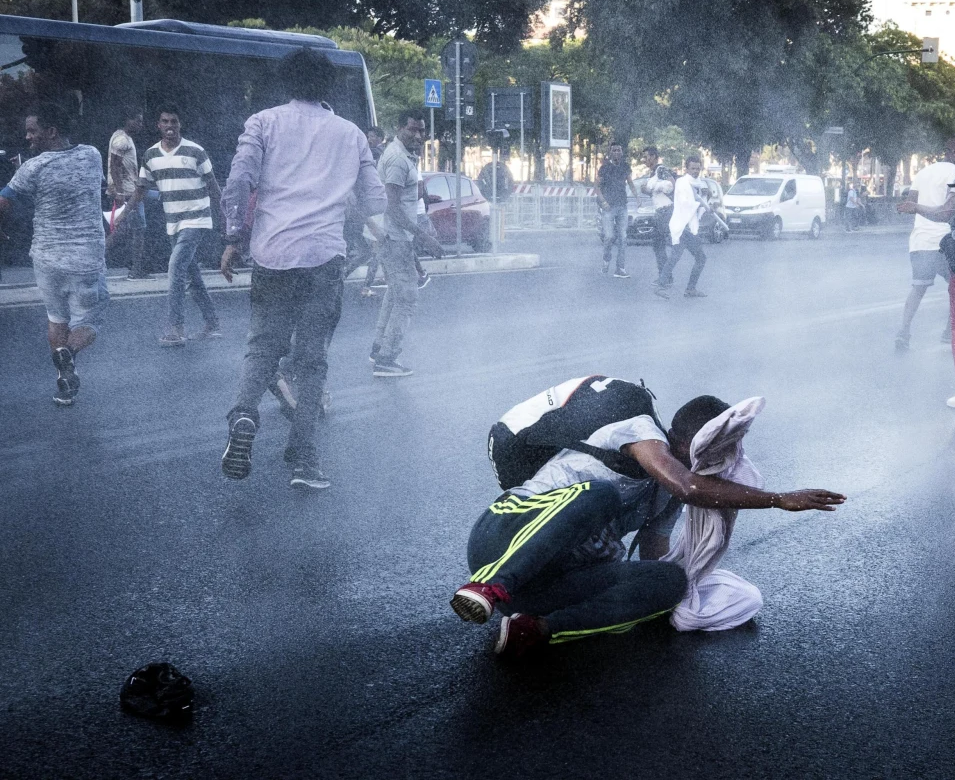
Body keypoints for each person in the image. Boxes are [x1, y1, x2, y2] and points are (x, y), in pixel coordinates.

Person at [451, 378, 846, 657]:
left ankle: (535, 630)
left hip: (541, 588)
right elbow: (688, 487)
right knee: (601, 495)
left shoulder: (667, 495)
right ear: (682, 437)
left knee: (671, 579)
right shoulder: (639, 431)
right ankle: (489, 585)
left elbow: (653, 552)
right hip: (503, 540)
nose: (715, 458)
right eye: (709, 447)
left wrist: (669, 592)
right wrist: (778, 500)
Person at [218, 47, 387, 490]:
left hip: (272, 254)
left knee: (262, 347)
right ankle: (304, 458)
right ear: (328, 85)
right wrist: (339, 199)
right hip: (324, 259)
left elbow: (239, 182)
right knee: (312, 362)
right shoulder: (351, 134)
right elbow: (375, 201)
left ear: (286, 82)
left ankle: (244, 416)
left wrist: (234, 237)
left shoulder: (263, 123)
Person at [0, 103, 109, 406]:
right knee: (90, 320)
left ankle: (65, 385)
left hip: (46, 259)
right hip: (85, 258)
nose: (27, 137)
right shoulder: (92, 155)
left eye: (32, 131)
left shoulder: (31, 169)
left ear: (51, 131)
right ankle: (68, 353)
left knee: (56, 319)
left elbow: (3, 203)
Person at [133, 104, 223, 346]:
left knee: (175, 268)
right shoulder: (151, 155)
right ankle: (212, 323)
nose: (170, 126)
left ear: (180, 124)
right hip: (173, 222)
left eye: (174, 121)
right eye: (165, 121)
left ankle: (176, 328)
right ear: (158, 125)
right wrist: (121, 216)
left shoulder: (196, 151)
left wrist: (226, 219)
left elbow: (213, 186)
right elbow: (141, 189)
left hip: (197, 219)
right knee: (191, 274)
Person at [369, 110, 444, 378]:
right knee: (407, 298)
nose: (418, 135)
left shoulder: (403, 155)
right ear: (399, 128)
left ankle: (379, 348)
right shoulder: (398, 160)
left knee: (395, 292)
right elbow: (392, 207)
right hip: (393, 237)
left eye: (422, 130)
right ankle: (387, 359)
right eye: (412, 129)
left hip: (393, 236)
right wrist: (425, 237)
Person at [894, 141, 955, 352]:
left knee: (918, 289)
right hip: (945, 241)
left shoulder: (923, 173)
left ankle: (903, 331)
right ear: (954, 151)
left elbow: (910, 203)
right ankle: (949, 332)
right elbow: (951, 209)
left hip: (920, 241)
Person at [654, 155, 709, 299]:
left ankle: (689, 289)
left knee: (697, 258)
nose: (695, 171)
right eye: (693, 168)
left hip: (690, 227)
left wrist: (706, 203)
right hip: (681, 226)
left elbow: (700, 206)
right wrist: (700, 203)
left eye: (698, 168)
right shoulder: (682, 182)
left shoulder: (699, 184)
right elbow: (685, 203)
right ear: (686, 169)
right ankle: (663, 286)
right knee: (678, 257)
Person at [105, 107, 148, 279]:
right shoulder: (122, 140)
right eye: (137, 120)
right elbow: (115, 166)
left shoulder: (121, 137)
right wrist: (120, 192)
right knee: (135, 230)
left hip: (129, 190)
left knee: (129, 229)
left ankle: (136, 268)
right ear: (128, 120)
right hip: (128, 192)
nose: (140, 124)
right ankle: (136, 269)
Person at [595, 143, 636, 278]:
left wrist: (637, 197)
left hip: (622, 206)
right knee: (609, 237)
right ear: (610, 153)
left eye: (619, 150)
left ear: (622, 152)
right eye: (614, 150)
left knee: (623, 237)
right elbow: (597, 186)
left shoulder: (625, 167)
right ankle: (606, 259)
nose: (617, 152)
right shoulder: (605, 168)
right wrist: (603, 201)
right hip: (609, 207)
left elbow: (630, 182)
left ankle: (620, 268)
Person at [640, 145, 675, 277]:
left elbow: (671, 185)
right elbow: (655, 193)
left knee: (659, 245)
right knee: (659, 245)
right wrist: (647, 190)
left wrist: (652, 187)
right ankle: (665, 276)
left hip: (666, 210)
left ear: (653, 157)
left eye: (646, 157)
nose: (644, 160)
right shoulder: (653, 172)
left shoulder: (661, 169)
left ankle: (665, 277)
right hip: (661, 211)